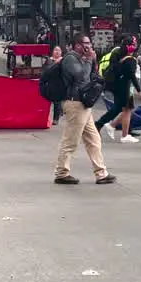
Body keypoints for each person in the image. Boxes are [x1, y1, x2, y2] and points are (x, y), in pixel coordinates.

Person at [53, 34, 116, 185]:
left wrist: (92, 60)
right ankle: (61, 172)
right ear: (77, 45)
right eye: (85, 43)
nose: (88, 46)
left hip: (84, 104)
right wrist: (88, 59)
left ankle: (101, 173)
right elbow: (81, 77)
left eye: (89, 43)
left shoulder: (83, 58)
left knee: (94, 139)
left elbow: (93, 76)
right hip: (75, 104)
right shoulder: (70, 58)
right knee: (71, 140)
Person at [96, 37, 141, 143]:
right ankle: (104, 125)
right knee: (122, 109)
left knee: (123, 109)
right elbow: (131, 75)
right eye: (133, 44)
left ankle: (112, 126)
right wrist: (139, 89)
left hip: (116, 85)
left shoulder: (117, 53)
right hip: (124, 86)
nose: (135, 46)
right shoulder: (129, 59)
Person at [46, 45, 65, 127]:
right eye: (55, 50)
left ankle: (55, 119)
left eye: (59, 50)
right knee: (48, 102)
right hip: (50, 83)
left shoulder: (64, 61)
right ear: (52, 52)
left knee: (57, 102)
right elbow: (47, 70)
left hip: (60, 84)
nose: (57, 52)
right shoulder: (49, 60)